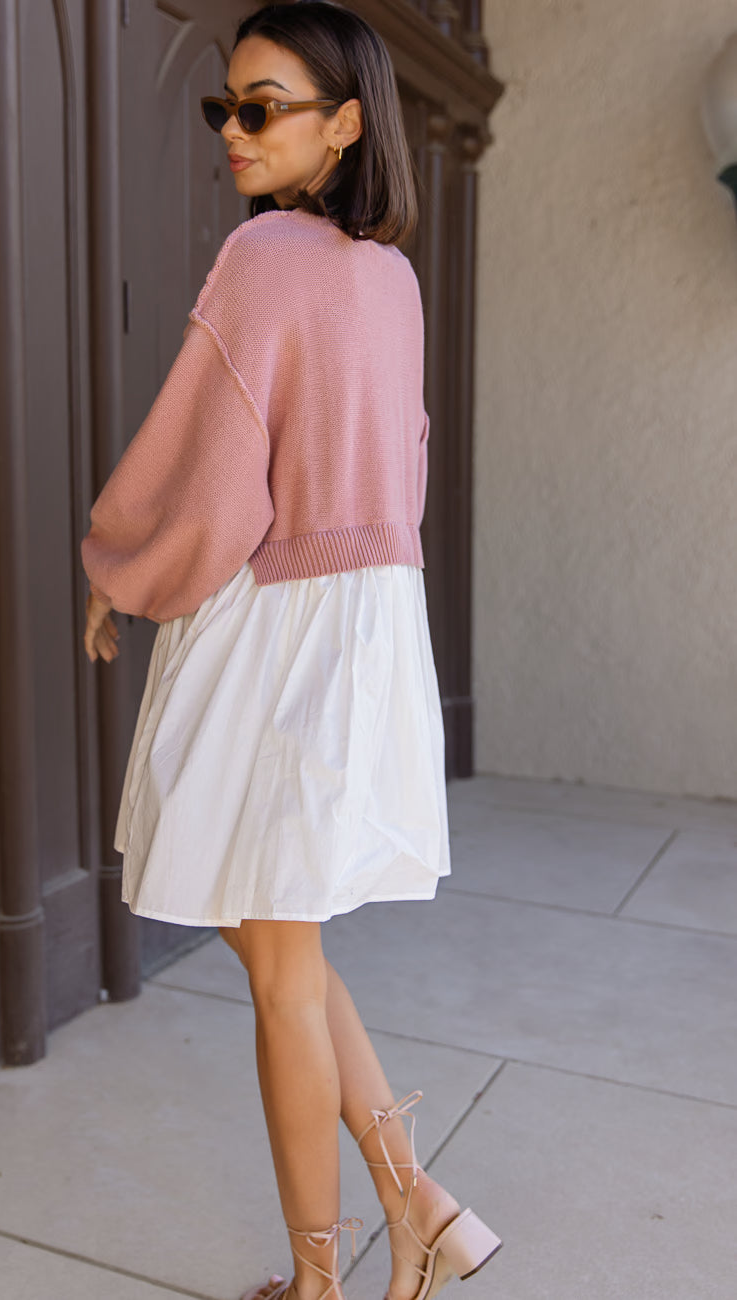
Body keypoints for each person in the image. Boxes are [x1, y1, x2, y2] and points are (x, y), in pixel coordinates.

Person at [81, 4, 501, 1299]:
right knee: (286, 952)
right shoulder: (393, 277)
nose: (235, 131)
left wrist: (118, 568)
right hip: (369, 625)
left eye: (262, 107)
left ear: (347, 122)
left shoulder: (265, 256)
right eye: (227, 106)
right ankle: (417, 1208)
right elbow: (401, 470)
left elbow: (208, 470)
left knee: (275, 972)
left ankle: (323, 1282)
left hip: (278, 627)